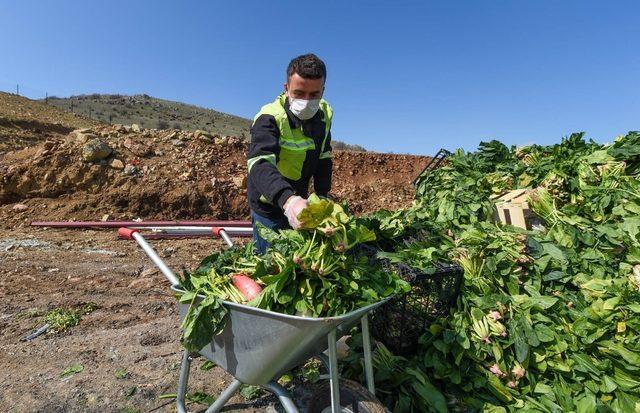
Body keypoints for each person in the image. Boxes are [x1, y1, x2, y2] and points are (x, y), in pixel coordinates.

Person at [247, 53, 333, 254]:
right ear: (286, 89)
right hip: (269, 203)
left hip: (300, 202)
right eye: (299, 93)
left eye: (314, 95)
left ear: (323, 91)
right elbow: (260, 164)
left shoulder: (325, 114)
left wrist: (322, 194)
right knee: (272, 265)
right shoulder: (269, 117)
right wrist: (288, 200)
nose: (306, 101)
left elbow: (324, 156)